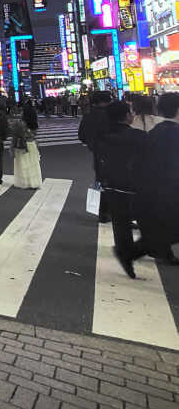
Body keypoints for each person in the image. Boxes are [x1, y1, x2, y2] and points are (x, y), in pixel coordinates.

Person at [95, 100, 146, 278]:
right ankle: (134, 252)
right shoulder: (138, 136)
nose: (133, 114)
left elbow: (97, 161)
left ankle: (125, 253)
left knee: (120, 221)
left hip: (111, 184)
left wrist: (102, 179)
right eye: (131, 111)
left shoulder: (102, 136)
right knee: (149, 220)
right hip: (134, 185)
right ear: (127, 116)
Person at [132, 92, 179, 269]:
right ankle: (136, 250)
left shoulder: (158, 130)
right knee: (171, 224)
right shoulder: (172, 133)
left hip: (152, 186)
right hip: (168, 187)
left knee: (165, 223)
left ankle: (157, 250)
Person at [78, 90, 113, 222]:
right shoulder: (110, 115)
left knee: (101, 181)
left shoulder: (88, 116)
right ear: (102, 102)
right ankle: (115, 212)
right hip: (114, 151)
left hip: (97, 152)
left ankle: (103, 212)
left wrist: (92, 143)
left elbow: (81, 136)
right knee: (116, 183)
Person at [10, 101, 41, 190]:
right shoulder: (35, 123)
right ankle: (34, 181)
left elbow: (13, 132)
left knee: (23, 164)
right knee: (33, 164)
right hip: (32, 144)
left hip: (22, 144)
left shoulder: (20, 123)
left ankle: (24, 182)